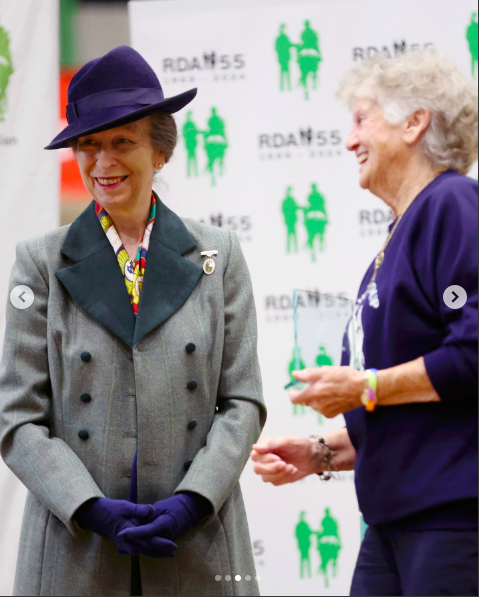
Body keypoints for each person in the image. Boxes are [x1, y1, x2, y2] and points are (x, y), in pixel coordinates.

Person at [0, 46, 266, 597]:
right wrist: (91, 509)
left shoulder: (219, 255)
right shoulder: (40, 262)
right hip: (77, 549)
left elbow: (242, 402)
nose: (103, 163)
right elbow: (18, 417)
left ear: (160, 151)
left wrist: (192, 502)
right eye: (89, 145)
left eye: (123, 142)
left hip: (196, 545)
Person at [252, 49, 478, 597]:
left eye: (361, 119)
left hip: (451, 523)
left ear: (415, 122)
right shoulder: (400, 232)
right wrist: (322, 452)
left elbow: (471, 355)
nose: (349, 141)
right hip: (393, 524)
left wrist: (368, 387)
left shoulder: (452, 204)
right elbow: (409, 410)